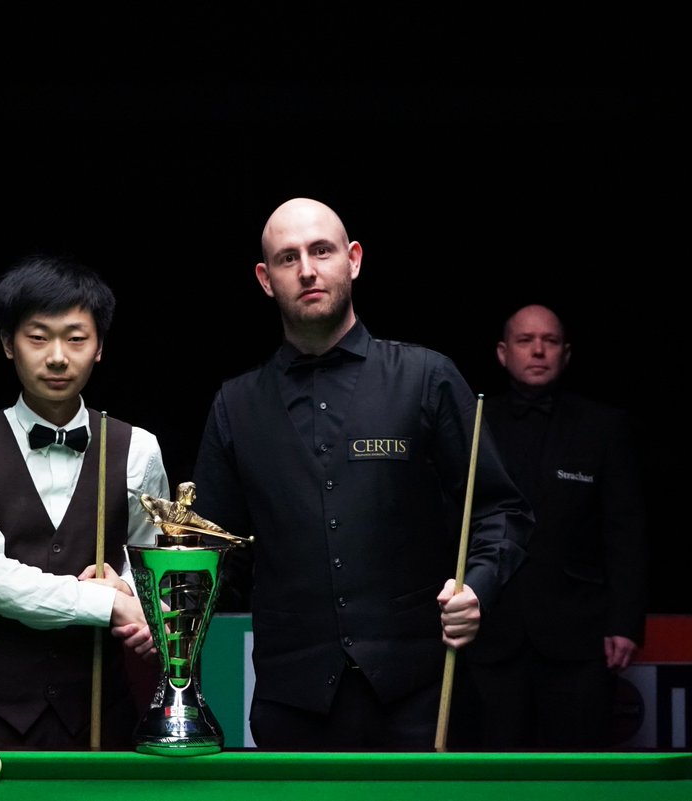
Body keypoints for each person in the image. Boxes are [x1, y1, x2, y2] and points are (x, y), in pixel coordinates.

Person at [190, 197, 535, 751]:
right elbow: (213, 554)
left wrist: (478, 588)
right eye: (287, 258)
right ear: (264, 278)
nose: (307, 269)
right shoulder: (236, 405)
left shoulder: (427, 378)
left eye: (322, 251)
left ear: (353, 259)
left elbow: (502, 510)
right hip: (292, 705)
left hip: (421, 697)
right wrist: (149, 600)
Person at [0, 253, 171, 750]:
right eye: (38, 337)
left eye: (76, 338)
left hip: (101, 716)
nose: (58, 356)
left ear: (99, 347)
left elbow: (154, 575)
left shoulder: (138, 448)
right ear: (7, 344)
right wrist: (108, 603)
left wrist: (137, 599)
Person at [463, 303, 647, 749]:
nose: (538, 351)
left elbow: (625, 529)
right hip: (491, 632)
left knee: (577, 773)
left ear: (566, 353)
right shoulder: (474, 423)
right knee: (493, 772)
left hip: (578, 635)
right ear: (503, 353)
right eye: (526, 341)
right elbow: (454, 524)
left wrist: (625, 622)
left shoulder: (603, 426)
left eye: (550, 341)